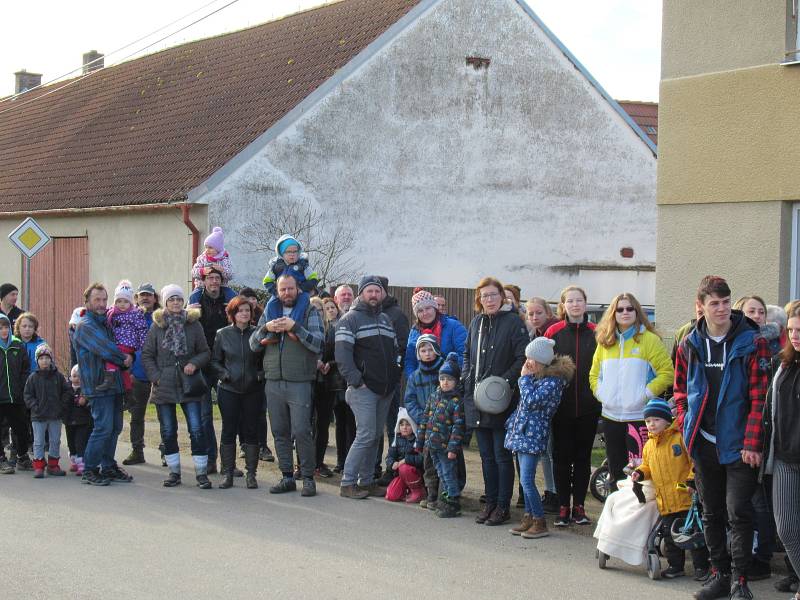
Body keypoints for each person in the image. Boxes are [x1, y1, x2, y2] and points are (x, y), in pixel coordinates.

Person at [673, 275, 770, 600]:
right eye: (714, 303)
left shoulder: (750, 341)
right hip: (703, 443)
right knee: (711, 512)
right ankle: (719, 574)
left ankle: (740, 581)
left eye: (726, 302)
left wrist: (753, 443)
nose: (722, 309)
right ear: (700, 306)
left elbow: (760, 398)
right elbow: (681, 391)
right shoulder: (690, 344)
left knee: (738, 512)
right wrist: (688, 425)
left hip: (740, 445)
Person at [250, 274, 324, 498]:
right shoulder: (269, 310)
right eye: (283, 290)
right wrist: (266, 329)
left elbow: (318, 343)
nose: (287, 293)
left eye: (290, 289)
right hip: (273, 379)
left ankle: (308, 478)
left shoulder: (309, 310)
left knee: (301, 430)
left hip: (299, 380)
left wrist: (296, 327)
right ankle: (287, 477)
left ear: (298, 289)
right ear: (277, 291)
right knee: (279, 431)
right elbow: (253, 345)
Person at [590, 292, 674, 486]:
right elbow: (594, 376)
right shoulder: (605, 342)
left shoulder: (649, 340)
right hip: (611, 417)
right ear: (613, 313)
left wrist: (644, 395)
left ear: (637, 312)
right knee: (615, 474)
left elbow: (666, 372)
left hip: (638, 418)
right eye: (620, 309)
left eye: (630, 308)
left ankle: (641, 515)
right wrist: (602, 394)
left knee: (639, 476)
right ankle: (617, 515)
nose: (625, 312)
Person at [463, 277, 528, 526]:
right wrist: (467, 377)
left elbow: (522, 358)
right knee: (486, 457)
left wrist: (502, 383)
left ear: (502, 296)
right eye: (484, 296)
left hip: (502, 401)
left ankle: (503, 506)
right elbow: (467, 354)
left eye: (493, 295)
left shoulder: (513, 323)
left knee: (502, 456)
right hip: (477, 400)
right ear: (479, 299)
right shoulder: (477, 323)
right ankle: (489, 503)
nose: (489, 299)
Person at [335, 275, 400, 500]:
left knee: (374, 436)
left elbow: (394, 351)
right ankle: (348, 482)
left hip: (385, 389)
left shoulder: (384, 319)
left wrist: (394, 375)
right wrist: (356, 380)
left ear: (382, 294)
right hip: (364, 389)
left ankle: (367, 481)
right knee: (365, 435)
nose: (374, 295)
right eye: (369, 291)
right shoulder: (349, 319)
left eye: (377, 291)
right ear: (361, 293)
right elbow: (342, 356)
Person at [141, 284, 212, 489]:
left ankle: (201, 474)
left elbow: (205, 352)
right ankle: (174, 472)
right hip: (164, 385)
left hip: (189, 384)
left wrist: (194, 363)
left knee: (197, 429)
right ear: (165, 302)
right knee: (168, 430)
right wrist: (156, 377)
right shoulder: (157, 326)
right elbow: (147, 355)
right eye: (171, 299)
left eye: (179, 299)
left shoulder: (193, 324)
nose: (175, 303)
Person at [631, 398, 710, 580]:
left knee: (693, 534)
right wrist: (640, 473)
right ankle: (676, 566)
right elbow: (647, 467)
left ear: (668, 419)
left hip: (685, 496)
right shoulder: (649, 446)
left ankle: (701, 566)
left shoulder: (679, 438)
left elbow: (693, 461)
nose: (652, 424)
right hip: (665, 501)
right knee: (670, 537)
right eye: (648, 421)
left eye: (656, 420)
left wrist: (692, 481)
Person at [505, 337, 575, 539]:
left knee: (527, 480)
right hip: (522, 433)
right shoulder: (536, 378)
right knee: (524, 479)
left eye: (532, 358)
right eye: (527, 357)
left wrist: (523, 379)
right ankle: (528, 517)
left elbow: (530, 401)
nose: (527, 362)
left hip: (533, 435)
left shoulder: (553, 382)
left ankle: (539, 520)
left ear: (543, 361)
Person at [544, 285, 600, 527]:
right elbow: (543, 366)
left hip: (589, 407)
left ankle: (579, 506)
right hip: (561, 408)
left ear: (585, 304)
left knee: (582, 458)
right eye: (570, 301)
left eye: (579, 300)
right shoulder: (553, 332)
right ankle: (563, 506)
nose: (575, 305)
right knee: (561, 458)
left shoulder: (597, 332)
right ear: (563, 305)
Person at [72, 283, 134, 486]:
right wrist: (124, 357)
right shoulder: (85, 326)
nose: (101, 304)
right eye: (97, 300)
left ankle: (107, 466)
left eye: (104, 299)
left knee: (115, 427)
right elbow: (106, 349)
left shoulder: (106, 323)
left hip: (115, 384)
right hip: (98, 386)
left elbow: (123, 342)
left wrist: (130, 355)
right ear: (87, 302)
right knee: (103, 427)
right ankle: (89, 469)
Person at [763, 300, 800, 600]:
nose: (795, 335)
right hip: (786, 459)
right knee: (786, 529)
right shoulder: (783, 364)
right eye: (791, 330)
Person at [210, 296, 264, 489]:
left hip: (253, 390)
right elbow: (214, 361)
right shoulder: (222, 334)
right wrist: (224, 374)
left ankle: (251, 474)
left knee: (251, 430)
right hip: (229, 389)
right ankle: (227, 473)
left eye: (247, 310)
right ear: (233, 314)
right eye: (240, 310)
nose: (244, 313)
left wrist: (259, 375)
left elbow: (265, 360)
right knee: (228, 429)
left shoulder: (258, 333)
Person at [415, 352, 465, 518]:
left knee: (449, 474)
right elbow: (425, 419)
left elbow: (458, 428)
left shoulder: (456, 401)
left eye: (449, 379)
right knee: (440, 472)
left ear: (456, 381)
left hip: (445, 447)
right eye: (443, 378)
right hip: (432, 445)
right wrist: (420, 441)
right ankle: (445, 498)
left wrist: (453, 448)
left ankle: (453, 501)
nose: (445, 382)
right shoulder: (434, 396)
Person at [523, 296, 560, 513]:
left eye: (539, 313)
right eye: (531, 314)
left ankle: (553, 492)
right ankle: (549, 491)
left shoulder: (550, 335)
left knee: (549, 451)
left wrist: (525, 378)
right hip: (535, 404)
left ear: (547, 312)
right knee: (545, 452)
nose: (535, 317)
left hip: (545, 405)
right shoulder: (533, 335)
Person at [403, 333, 445, 509]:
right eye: (423, 350)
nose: (427, 353)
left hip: (443, 425)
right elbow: (409, 400)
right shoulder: (414, 377)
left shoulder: (445, 372)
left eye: (430, 349)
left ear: (436, 351)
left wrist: (438, 417)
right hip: (424, 426)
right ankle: (431, 494)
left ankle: (445, 496)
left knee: (444, 463)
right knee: (428, 462)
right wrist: (423, 418)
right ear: (418, 353)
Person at [193, 266, 226, 473]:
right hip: (203, 365)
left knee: (230, 415)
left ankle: (228, 462)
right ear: (204, 281)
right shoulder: (195, 303)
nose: (214, 281)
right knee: (205, 415)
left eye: (217, 278)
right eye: (210, 278)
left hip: (224, 364)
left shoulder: (229, 302)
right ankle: (211, 458)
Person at [122, 283, 159, 466]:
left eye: (149, 295)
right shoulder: (129, 317)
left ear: (155, 298)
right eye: (142, 295)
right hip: (137, 375)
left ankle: (166, 452)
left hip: (159, 376)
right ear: (136, 298)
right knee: (136, 417)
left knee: (164, 417)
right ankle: (137, 451)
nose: (145, 298)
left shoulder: (161, 318)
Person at [261, 235, 319, 344]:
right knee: (270, 304)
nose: (292, 254)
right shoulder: (276, 266)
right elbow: (267, 281)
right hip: (281, 293)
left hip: (300, 292)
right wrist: (275, 292)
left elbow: (313, 278)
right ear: (282, 253)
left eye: (295, 251)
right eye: (288, 252)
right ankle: (273, 333)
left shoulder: (303, 265)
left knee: (303, 302)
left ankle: (294, 327)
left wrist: (303, 288)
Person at [23, 344, 71, 478]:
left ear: (51, 359)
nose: (44, 361)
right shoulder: (33, 377)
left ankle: (53, 465)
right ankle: (38, 466)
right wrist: (35, 406)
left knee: (55, 441)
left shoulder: (58, 377)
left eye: (47, 358)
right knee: (38, 442)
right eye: (41, 358)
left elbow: (67, 391)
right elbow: (27, 395)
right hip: (38, 416)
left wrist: (61, 406)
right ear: (37, 360)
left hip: (55, 415)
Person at [239, 287, 273, 463]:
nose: (250, 301)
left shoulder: (262, 321)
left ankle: (262, 446)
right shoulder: (232, 325)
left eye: (252, 298)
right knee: (241, 413)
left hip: (260, 373)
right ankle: (244, 444)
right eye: (246, 299)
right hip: (239, 375)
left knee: (260, 411)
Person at [320, 297, 354, 474]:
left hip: (344, 381)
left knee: (350, 423)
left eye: (332, 307)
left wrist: (330, 364)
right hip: (330, 383)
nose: (330, 310)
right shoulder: (323, 331)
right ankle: (341, 461)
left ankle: (349, 461)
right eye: (326, 308)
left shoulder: (342, 327)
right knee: (339, 424)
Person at [404, 288, 467, 378]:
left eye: (428, 308)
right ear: (416, 314)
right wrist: (414, 381)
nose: (425, 313)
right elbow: (410, 361)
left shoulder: (454, 326)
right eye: (420, 311)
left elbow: (464, 355)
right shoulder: (415, 332)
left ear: (435, 308)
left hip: (448, 383)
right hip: (423, 386)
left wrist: (448, 374)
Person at [99, 280, 149, 393]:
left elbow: (142, 330)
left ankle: (109, 378)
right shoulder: (111, 312)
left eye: (125, 301)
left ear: (130, 303)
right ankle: (128, 389)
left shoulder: (135, 314)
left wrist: (143, 345)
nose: (122, 304)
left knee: (111, 357)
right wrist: (80, 313)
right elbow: (99, 316)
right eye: (119, 301)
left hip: (127, 343)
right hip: (118, 342)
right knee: (124, 368)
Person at [0, 313, 32, 474]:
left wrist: (21, 386)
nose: (4, 331)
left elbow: (25, 369)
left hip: (16, 396)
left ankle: (22, 456)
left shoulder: (17, 345)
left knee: (21, 428)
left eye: (6, 327)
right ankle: (1, 460)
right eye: (0, 328)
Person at [384, 407, 425, 503]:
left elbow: (422, 459)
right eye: (401, 424)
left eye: (408, 424)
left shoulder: (418, 440)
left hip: (416, 473)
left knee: (404, 468)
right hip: (401, 475)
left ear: (413, 425)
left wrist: (405, 460)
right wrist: (392, 463)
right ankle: (407, 491)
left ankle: (418, 491)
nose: (404, 427)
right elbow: (389, 456)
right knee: (391, 495)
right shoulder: (397, 439)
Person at [190, 226, 236, 298]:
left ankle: (230, 309)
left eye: (210, 248)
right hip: (201, 286)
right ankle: (193, 309)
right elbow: (193, 272)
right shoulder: (202, 258)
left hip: (221, 287)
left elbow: (231, 275)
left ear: (218, 249)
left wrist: (222, 270)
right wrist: (202, 271)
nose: (207, 250)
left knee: (232, 295)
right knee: (194, 296)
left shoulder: (224, 260)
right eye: (206, 247)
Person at [63, 365, 92, 475]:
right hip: (69, 421)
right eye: (74, 376)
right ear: (70, 377)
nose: (76, 379)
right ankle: (73, 461)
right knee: (71, 443)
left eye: (79, 376)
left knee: (80, 443)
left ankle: (81, 464)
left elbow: (90, 406)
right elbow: (64, 403)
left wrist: (85, 402)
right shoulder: (67, 389)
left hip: (82, 421)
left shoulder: (85, 390)